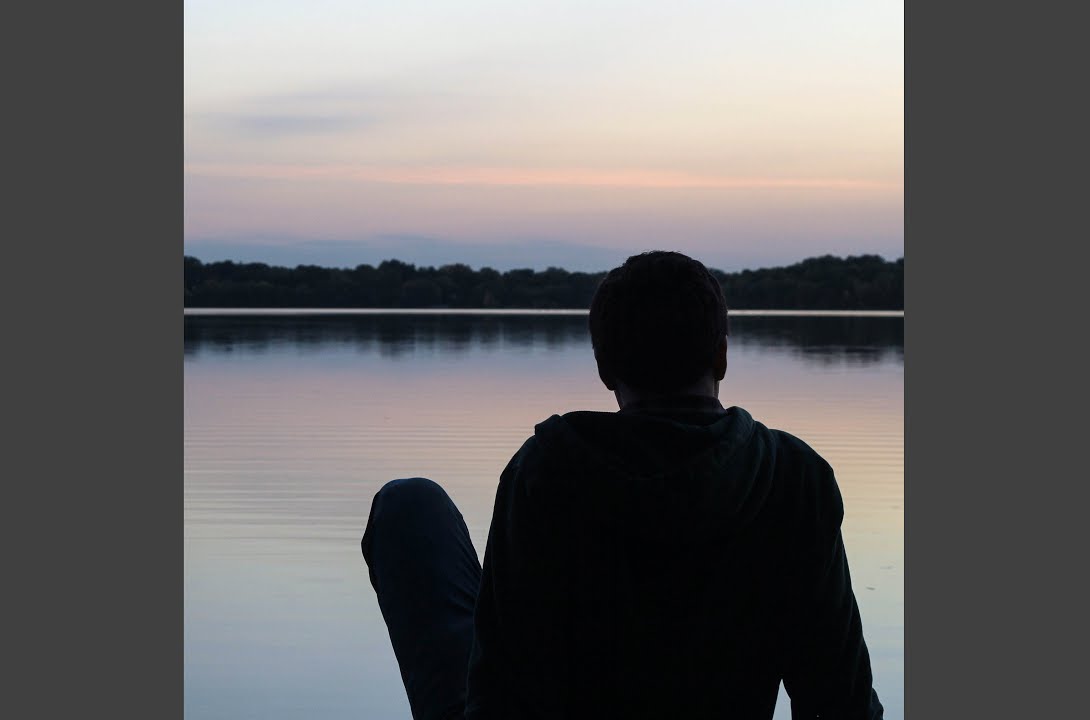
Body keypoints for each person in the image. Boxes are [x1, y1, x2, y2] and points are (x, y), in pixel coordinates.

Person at [362, 251, 884, 719]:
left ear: (604, 369)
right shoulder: (793, 477)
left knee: (409, 505)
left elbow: (503, 688)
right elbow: (841, 701)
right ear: (722, 356)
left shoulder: (546, 469)